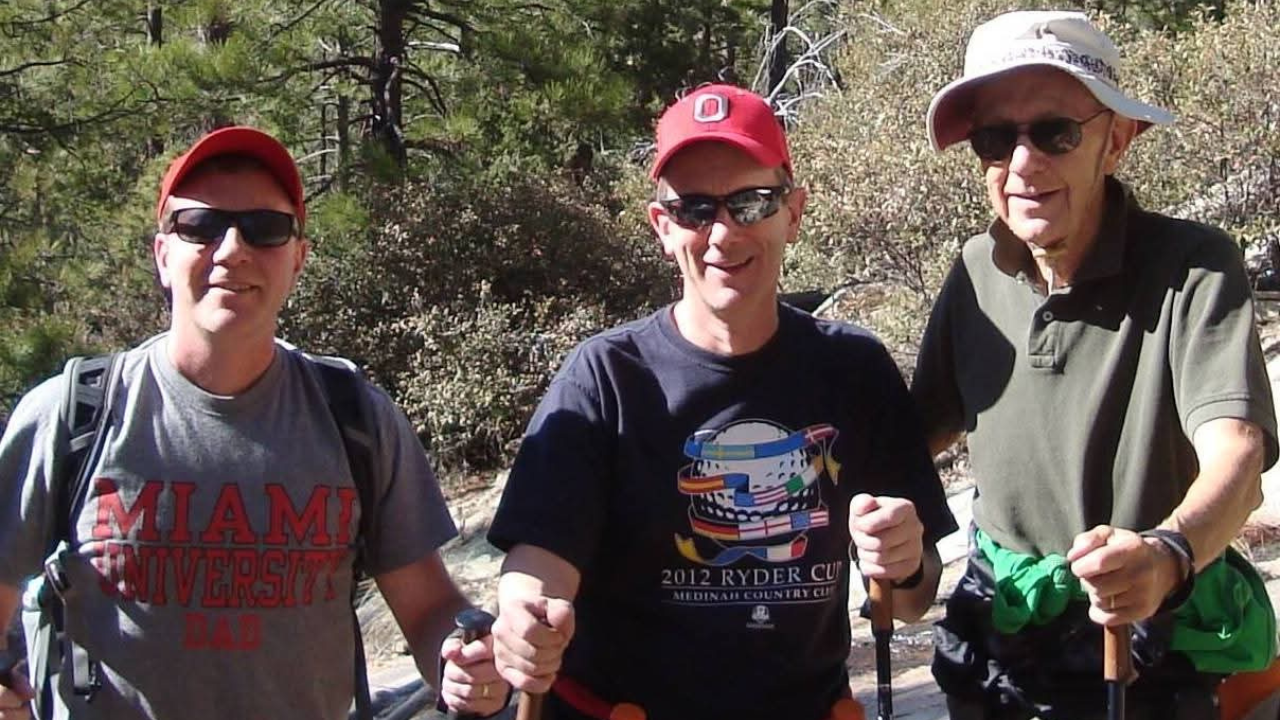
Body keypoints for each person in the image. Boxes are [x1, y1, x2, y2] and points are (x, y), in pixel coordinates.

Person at [0, 126, 509, 719]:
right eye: (201, 226)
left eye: (264, 229)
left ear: (298, 258)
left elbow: (427, 610)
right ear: (163, 255)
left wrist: (463, 662)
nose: (233, 249)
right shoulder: (71, 417)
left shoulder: (356, 419)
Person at [486, 84, 958, 720]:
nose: (722, 232)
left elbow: (907, 599)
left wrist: (901, 564)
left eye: (751, 202)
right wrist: (525, 614)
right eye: (695, 209)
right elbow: (540, 559)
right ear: (662, 227)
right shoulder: (605, 377)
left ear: (792, 213)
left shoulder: (854, 369)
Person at [913, 11, 1279, 720]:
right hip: (997, 640)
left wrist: (1166, 555)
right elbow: (907, 443)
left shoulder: (1191, 267)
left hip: (1152, 649)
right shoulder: (976, 270)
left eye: (1053, 132)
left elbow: (1238, 455)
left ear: (1115, 140)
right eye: (994, 139)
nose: (1022, 163)